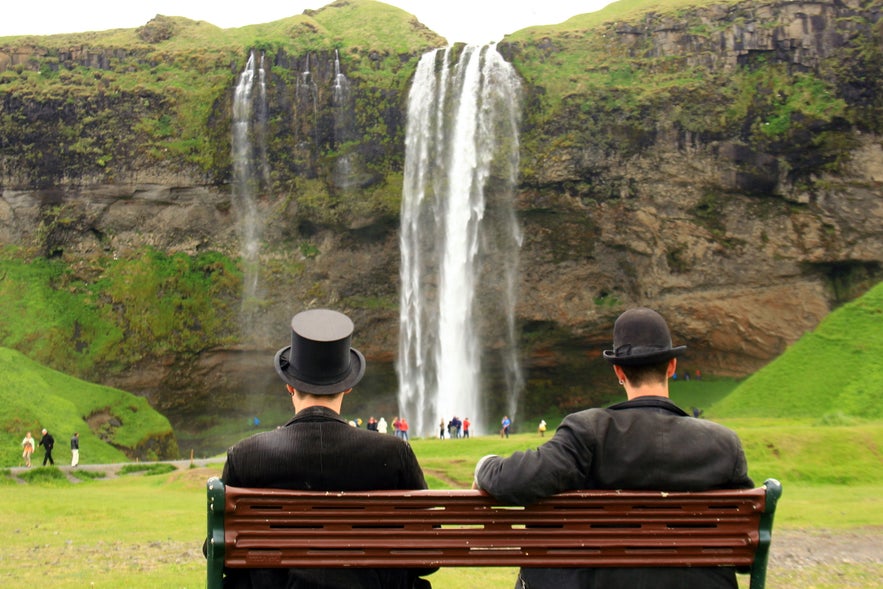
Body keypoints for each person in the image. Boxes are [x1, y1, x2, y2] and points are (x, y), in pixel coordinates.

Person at [474, 307, 753, 589]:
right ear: (672, 367)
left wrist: (485, 464)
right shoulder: (725, 444)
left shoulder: (588, 431)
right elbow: (745, 549)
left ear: (619, 371)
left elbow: (513, 480)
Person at [213, 309, 433, 588]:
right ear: (348, 388)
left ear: (289, 387)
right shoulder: (394, 453)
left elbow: (219, 549)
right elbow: (429, 552)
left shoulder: (245, 457)